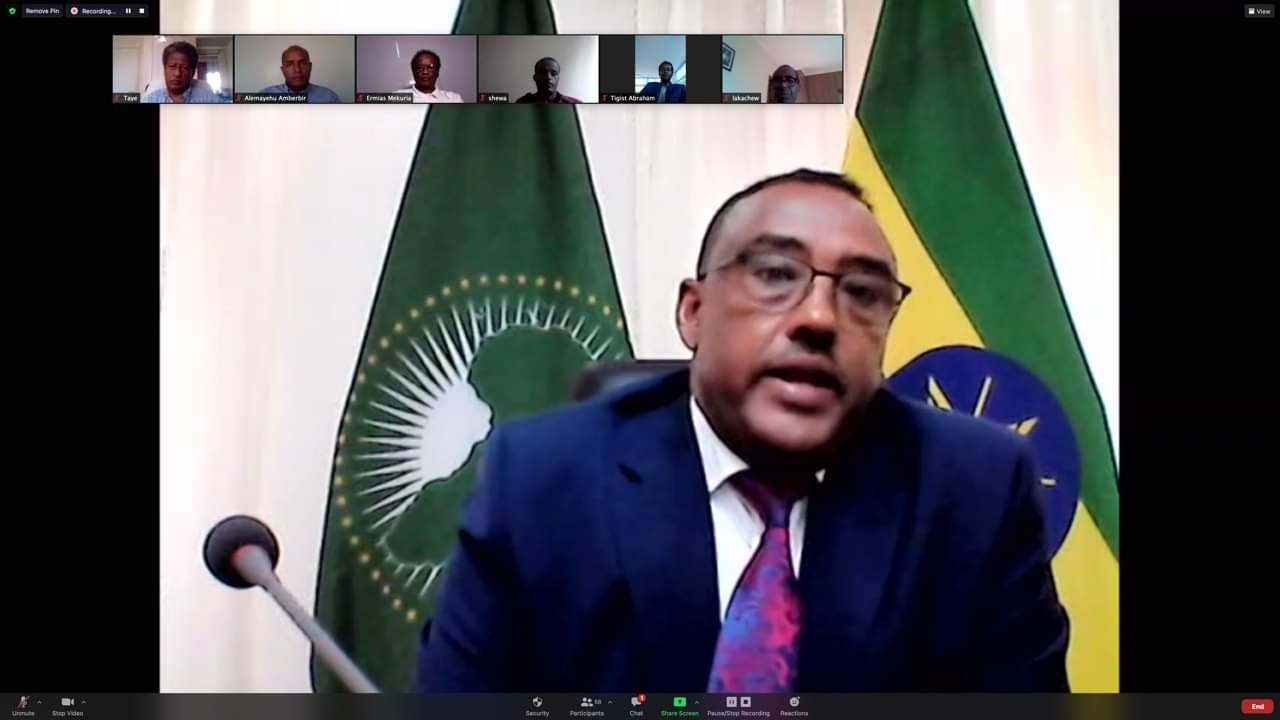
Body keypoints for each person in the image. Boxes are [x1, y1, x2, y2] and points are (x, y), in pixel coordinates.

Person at [416, 169, 1070, 693]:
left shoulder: (975, 490)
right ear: (693, 311)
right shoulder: (541, 478)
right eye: (776, 275)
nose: (820, 318)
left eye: (864, 293)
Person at [142, 41, 226, 103]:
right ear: (164, 70)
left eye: (185, 68)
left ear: (193, 73)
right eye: (172, 66)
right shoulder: (150, 99)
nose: (177, 73)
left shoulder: (208, 98)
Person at [259, 45, 340, 103]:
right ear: (283, 70)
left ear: (310, 67)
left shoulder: (330, 98)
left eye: (303, 63)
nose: (297, 70)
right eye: (290, 64)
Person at [515, 57, 581, 104]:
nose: (548, 77)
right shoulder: (521, 103)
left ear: (558, 78)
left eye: (553, 73)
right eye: (542, 73)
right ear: (535, 78)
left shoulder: (575, 104)